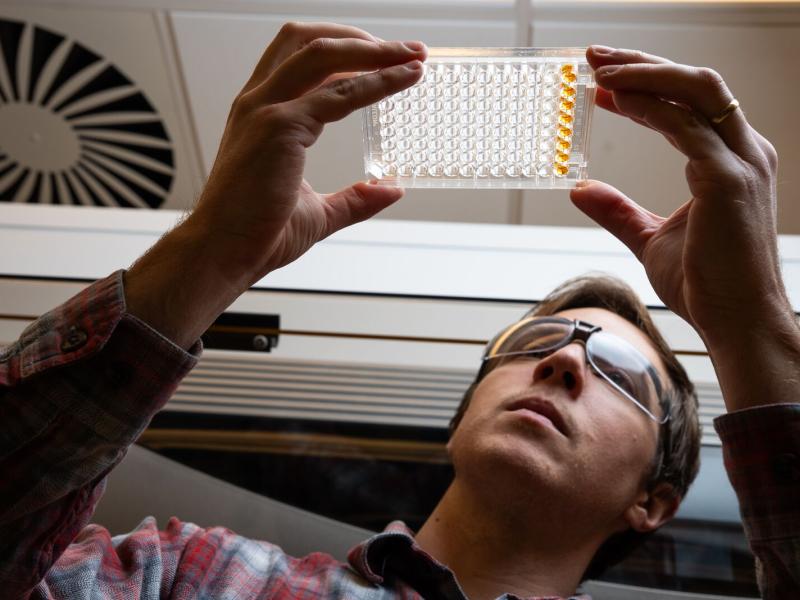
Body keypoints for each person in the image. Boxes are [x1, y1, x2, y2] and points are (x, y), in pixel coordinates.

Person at [0, 21, 797, 600]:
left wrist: (753, 326)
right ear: (461, 420)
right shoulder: (194, 576)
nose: (561, 359)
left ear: (652, 503)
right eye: (536, 339)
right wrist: (210, 252)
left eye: (617, 369)